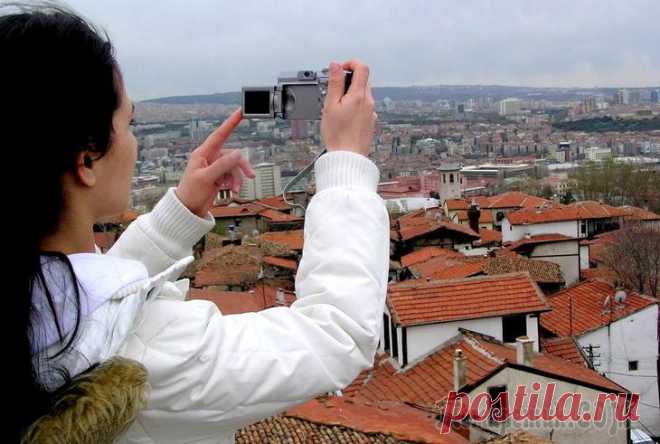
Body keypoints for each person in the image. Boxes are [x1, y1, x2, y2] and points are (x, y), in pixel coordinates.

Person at [3, 4, 388, 443]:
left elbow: (91, 306)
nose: (133, 142)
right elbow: (338, 332)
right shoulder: (149, 358)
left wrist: (178, 213)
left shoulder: (35, 314)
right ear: (87, 160)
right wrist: (347, 161)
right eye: (129, 123)